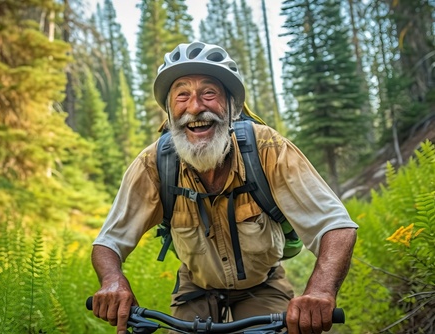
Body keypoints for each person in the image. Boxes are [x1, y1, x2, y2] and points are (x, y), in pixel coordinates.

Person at [91, 41, 358, 334]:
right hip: (195, 287)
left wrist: (320, 291)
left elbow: (335, 226)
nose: (195, 107)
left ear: (233, 107)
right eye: (182, 95)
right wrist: (113, 281)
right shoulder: (153, 164)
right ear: (168, 111)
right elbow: (109, 242)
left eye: (209, 93)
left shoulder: (267, 148)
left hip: (263, 284)